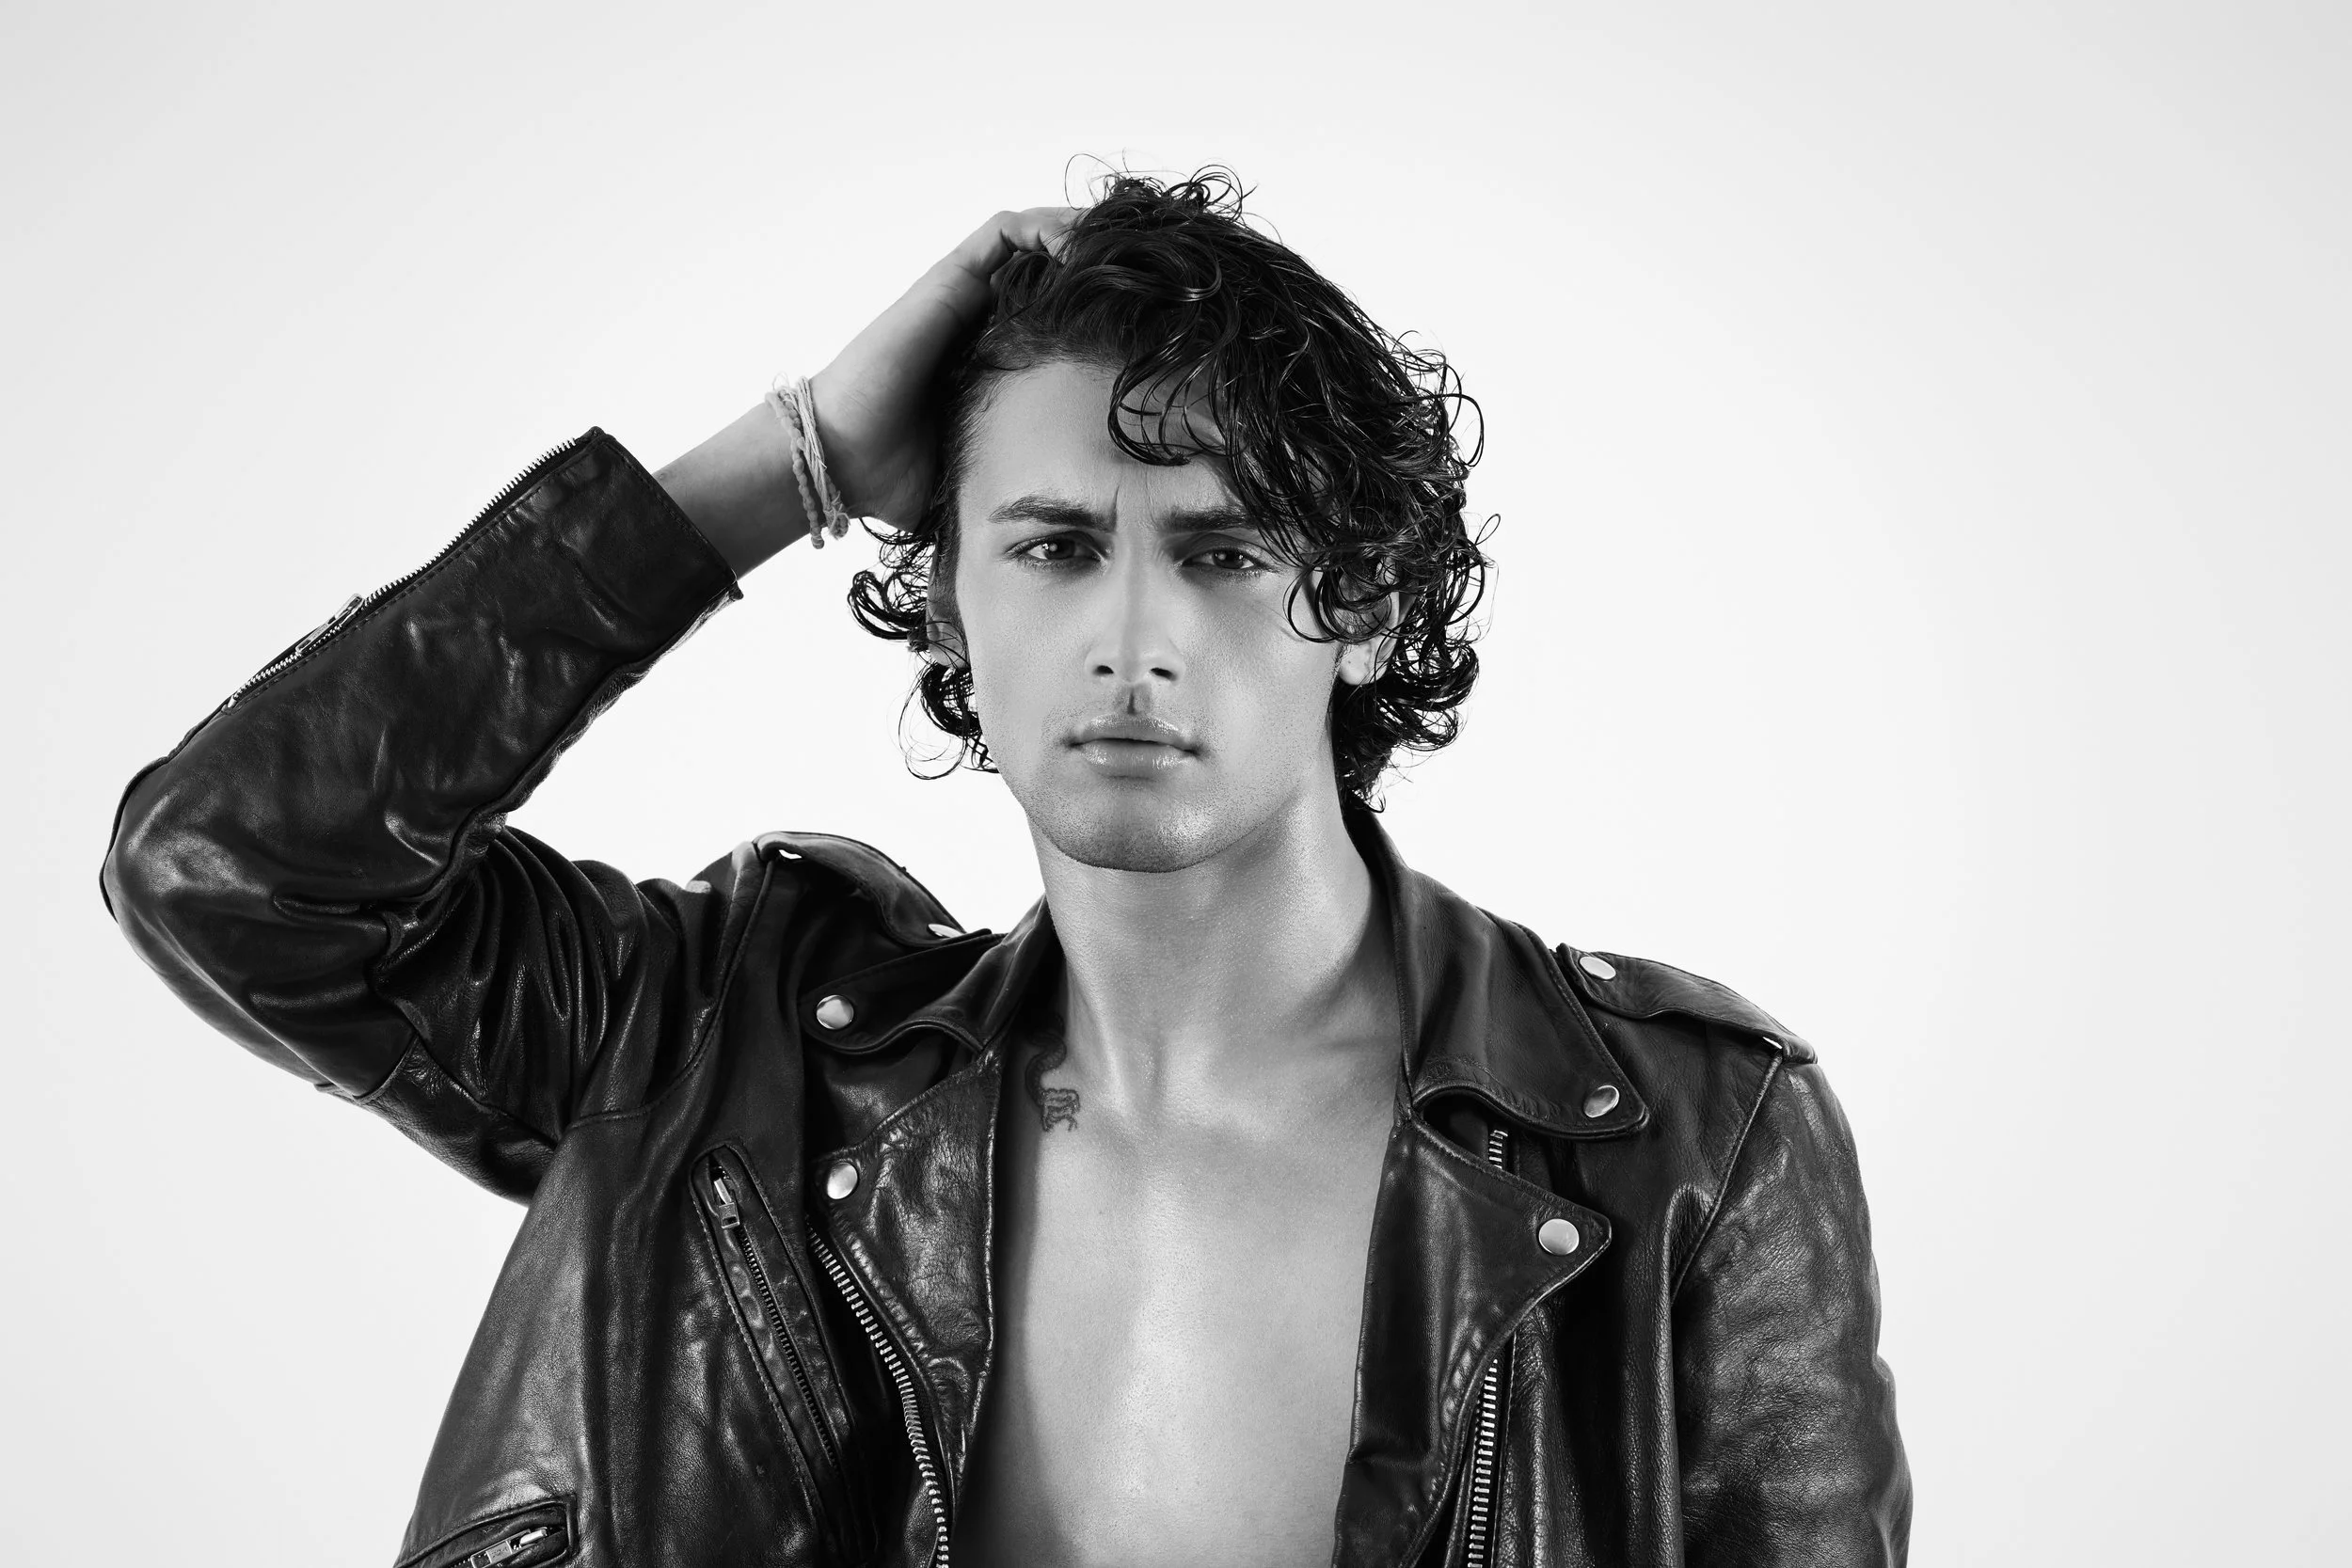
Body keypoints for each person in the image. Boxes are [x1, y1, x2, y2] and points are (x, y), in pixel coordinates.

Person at [100, 171, 1911, 1568]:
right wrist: (787, 459)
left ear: (1358, 606)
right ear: (950, 592)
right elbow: (232, 871)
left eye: (1220, 554)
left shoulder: (1688, 1137)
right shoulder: (725, 1061)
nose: (1131, 637)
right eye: (1052, 547)